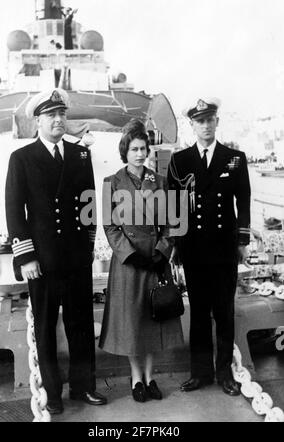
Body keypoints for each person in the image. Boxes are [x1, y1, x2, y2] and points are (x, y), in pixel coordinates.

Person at [5, 88, 107, 414]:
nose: (58, 120)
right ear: (38, 120)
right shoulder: (22, 158)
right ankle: (52, 393)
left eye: (62, 114)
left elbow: (89, 205)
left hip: (76, 258)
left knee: (80, 324)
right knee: (46, 327)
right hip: (43, 261)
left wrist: (88, 248)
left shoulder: (79, 155)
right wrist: (26, 256)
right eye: (51, 115)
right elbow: (14, 211)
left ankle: (84, 386)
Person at [167, 98, 251, 396]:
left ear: (217, 122)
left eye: (209, 120)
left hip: (224, 248)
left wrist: (242, 240)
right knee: (200, 313)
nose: (205, 125)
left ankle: (224, 373)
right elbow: (174, 206)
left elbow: (243, 201)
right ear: (192, 124)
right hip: (194, 248)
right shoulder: (180, 160)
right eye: (199, 121)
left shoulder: (234, 158)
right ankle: (200, 373)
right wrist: (175, 245)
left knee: (224, 312)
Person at [99, 119, 184, 402]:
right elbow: (110, 227)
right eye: (134, 149)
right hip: (128, 263)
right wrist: (131, 255)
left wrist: (161, 252)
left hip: (155, 261)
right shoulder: (111, 183)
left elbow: (173, 222)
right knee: (132, 323)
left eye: (143, 148)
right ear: (125, 151)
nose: (139, 154)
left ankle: (150, 377)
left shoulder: (159, 182)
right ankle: (136, 378)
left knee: (153, 321)